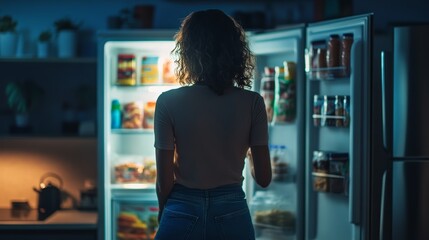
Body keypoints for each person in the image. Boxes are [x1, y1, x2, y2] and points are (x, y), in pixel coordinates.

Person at [154, 9, 272, 240]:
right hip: (232, 210)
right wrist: (243, 146)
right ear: (236, 52)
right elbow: (264, 178)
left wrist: (163, 210)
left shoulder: (168, 101)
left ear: (187, 52)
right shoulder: (253, 102)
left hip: (181, 207)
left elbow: (164, 180)